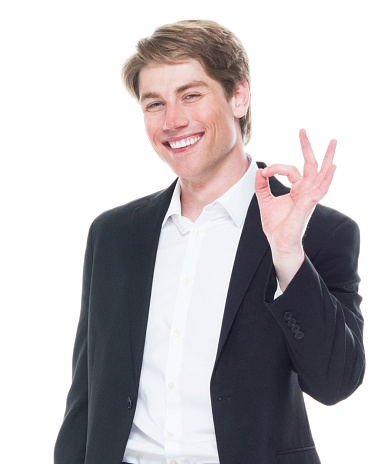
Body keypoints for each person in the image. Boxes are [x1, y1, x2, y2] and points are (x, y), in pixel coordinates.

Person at [54, 20, 365, 464]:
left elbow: (336, 383)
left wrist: (287, 254)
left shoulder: (319, 232)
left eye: (191, 95)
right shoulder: (114, 235)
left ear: (238, 96)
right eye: (154, 103)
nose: (172, 120)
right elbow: (86, 396)